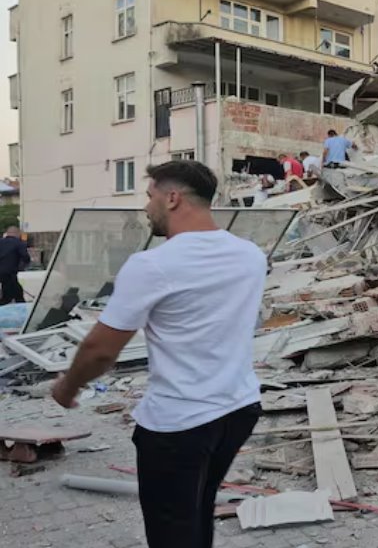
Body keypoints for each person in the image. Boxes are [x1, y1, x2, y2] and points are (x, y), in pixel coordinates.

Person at [51, 161, 267, 548]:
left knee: (172, 530)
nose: (146, 207)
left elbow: (100, 350)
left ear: (172, 198)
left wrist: (67, 388)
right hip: (238, 409)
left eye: (149, 196)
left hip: (179, 423)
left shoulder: (153, 265)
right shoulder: (250, 255)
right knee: (198, 511)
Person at [0, 226, 30, 304]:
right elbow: (25, 257)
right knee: (12, 295)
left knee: (15, 291)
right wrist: (22, 266)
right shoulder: (19, 243)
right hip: (9, 273)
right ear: (18, 234)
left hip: (4, 274)